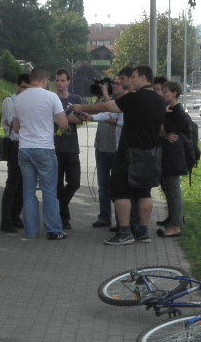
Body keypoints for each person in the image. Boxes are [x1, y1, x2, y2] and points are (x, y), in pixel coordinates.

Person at [71, 65, 166, 246]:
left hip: (129, 152)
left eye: (135, 76)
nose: (131, 80)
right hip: (151, 154)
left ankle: (124, 232)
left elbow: (108, 106)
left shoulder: (134, 98)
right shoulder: (160, 100)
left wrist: (83, 106)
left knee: (120, 192)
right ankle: (143, 232)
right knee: (145, 192)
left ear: (144, 77)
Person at [13, 67, 70, 240]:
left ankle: (31, 231)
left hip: (24, 149)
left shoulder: (19, 98)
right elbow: (64, 124)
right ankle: (53, 230)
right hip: (45, 148)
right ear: (45, 81)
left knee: (28, 191)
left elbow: (16, 127)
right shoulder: (51, 96)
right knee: (49, 191)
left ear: (31, 80)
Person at [87, 74, 125, 229]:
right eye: (113, 84)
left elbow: (113, 112)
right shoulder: (104, 100)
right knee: (103, 186)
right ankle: (104, 217)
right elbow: (94, 112)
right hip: (102, 147)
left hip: (116, 149)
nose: (115, 86)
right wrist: (100, 97)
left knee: (117, 187)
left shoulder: (122, 102)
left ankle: (120, 220)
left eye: (117, 83)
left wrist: (106, 96)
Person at [156, 80, 193, 238]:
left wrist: (162, 132)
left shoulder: (177, 112)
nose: (162, 94)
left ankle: (176, 225)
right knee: (167, 189)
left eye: (165, 92)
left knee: (173, 190)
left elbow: (164, 130)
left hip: (173, 156)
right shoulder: (169, 110)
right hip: (167, 155)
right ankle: (172, 219)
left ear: (174, 94)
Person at [52, 68, 85, 228]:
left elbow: (81, 119)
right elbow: (49, 119)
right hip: (55, 148)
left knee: (74, 182)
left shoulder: (75, 98)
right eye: (57, 80)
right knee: (57, 185)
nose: (59, 83)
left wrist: (62, 118)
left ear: (68, 82)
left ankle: (58, 208)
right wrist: (68, 118)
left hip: (72, 147)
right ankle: (63, 219)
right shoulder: (51, 98)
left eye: (62, 80)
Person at [0, 73, 30, 233]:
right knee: (12, 183)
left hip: (25, 144)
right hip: (15, 144)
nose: (25, 90)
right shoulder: (10, 101)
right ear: (17, 86)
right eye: (23, 87)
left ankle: (15, 216)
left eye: (28, 87)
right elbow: (14, 123)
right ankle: (6, 220)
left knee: (23, 184)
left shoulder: (27, 101)